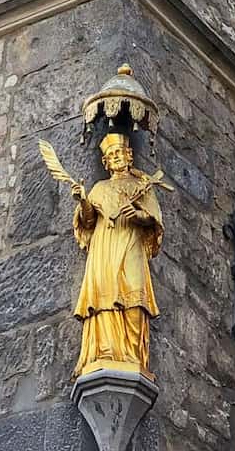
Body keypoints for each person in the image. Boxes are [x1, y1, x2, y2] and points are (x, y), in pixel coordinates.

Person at [71, 132, 163, 378]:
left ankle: (133, 356)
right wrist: (83, 201)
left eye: (119, 153)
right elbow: (89, 220)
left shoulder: (141, 186)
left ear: (129, 155)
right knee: (105, 296)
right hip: (104, 246)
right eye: (110, 156)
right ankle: (106, 352)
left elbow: (154, 219)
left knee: (134, 294)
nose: (115, 157)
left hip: (131, 242)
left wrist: (139, 215)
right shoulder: (100, 188)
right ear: (106, 163)